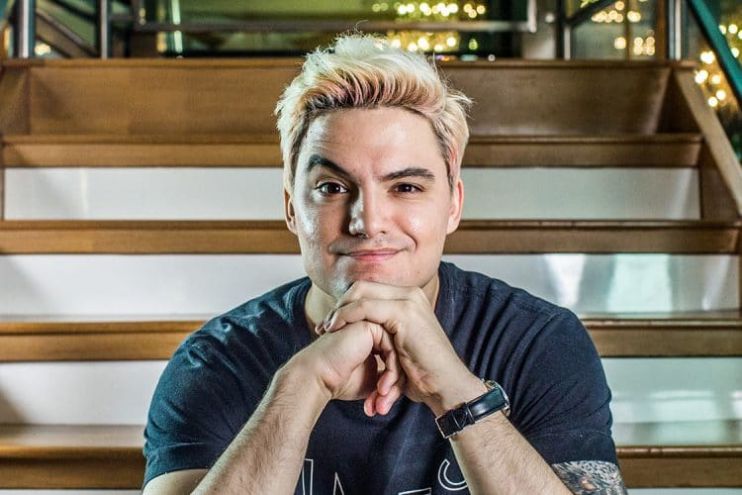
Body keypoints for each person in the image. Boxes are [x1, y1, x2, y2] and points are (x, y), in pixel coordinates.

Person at [142, 33, 627, 494]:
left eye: (406, 187)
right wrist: (300, 386)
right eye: (332, 188)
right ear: (291, 207)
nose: (368, 221)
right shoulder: (214, 363)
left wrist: (455, 392)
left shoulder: (537, 341)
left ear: (453, 205)